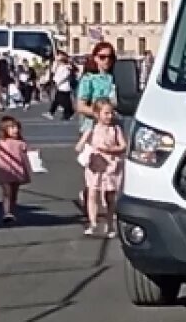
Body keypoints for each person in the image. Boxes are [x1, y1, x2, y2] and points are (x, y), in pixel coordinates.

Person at [76, 99, 126, 237]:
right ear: (97, 114)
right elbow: (78, 147)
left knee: (110, 197)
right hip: (95, 166)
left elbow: (123, 146)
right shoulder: (91, 129)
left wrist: (110, 149)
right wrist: (85, 145)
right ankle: (93, 222)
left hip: (110, 167)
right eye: (106, 113)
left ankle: (110, 225)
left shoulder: (115, 129)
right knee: (92, 194)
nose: (109, 116)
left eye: (111, 113)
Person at [0, 115, 32, 224]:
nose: (15, 130)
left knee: (14, 193)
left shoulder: (21, 143)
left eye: (16, 128)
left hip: (17, 170)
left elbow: (28, 152)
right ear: (5, 129)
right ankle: (7, 212)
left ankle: (12, 211)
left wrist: (35, 158)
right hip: (4, 169)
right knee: (7, 192)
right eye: (12, 128)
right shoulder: (0, 142)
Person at [46, 52, 76, 120]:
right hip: (60, 86)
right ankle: (68, 113)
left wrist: (59, 83)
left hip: (64, 87)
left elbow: (66, 76)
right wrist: (55, 62)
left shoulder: (66, 67)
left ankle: (52, 113)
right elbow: (53, 71)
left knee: (60, 101)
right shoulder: (58, 66)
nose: (57, 57)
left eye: (59, 56)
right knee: (63, 101)